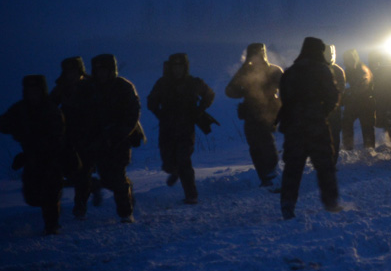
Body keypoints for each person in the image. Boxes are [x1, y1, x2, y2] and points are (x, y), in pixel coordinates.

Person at [277, 37, 341, 218]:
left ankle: (287, 206)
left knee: (292, 168)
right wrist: (321, 112)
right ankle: (331, 203)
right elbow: (332, 97)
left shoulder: (290, 72)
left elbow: (284, 98)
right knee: (324, 165)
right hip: (316, 125)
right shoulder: (322, 70)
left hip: (293, 126)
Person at [0, 75, 69, 234]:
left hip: (51, 158)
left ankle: (52, 226)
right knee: (32, 196)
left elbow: (56, 137)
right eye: (30, 90)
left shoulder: (51, 109)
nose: (33, 93)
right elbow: (5, 122)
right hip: (32, 160)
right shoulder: (21, 108)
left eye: (36, 89)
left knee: (49, 193)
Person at [147, 53, 216, 204]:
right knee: (168, 163)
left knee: (184, 160)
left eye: (180, 66)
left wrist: (200, 109)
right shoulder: (163, 83)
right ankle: (175, 170)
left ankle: (191, 195)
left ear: (185, 67)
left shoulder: (194, 83)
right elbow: (151, 101)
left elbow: (209, 94)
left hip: (186, 127)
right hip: (167, 129)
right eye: (175, 66)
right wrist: (160, 114)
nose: (177, 70)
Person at [85, 54, 142, 223]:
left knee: (117, 176)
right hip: (99, 141)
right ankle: (126, 190)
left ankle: (125, 213)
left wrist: (121, 132)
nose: (101, 74)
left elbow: (133, 112)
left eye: (105, 70)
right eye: (98, 70)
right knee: (107, 178)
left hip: (120, 139)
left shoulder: (123, 87)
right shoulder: (91, 89)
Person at [225, 43, 283, 188]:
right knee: (255, 147)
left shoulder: (273, 70)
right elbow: (230, 91)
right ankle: (265, 177)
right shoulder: (246, 71)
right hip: (251, 113)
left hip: (268, 113)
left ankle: (272, 174)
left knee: (267, 144)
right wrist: (244, 87)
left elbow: (285, 89)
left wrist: (280, 106)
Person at [49, 56, 99, 219]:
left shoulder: (92, 86)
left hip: (88, 135)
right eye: (68, 71)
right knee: (70, 171)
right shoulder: (61, 88)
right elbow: (49, 106)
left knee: (84, 171)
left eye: (74, 71)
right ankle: (91, 187)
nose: (71, 74)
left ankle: (80, 204)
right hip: (68, 136)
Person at [342, 48, 375, 150]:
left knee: (367, 126)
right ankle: (348, 147)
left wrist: (347, 93)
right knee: (346, 123)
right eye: (347, 60)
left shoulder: (362, 69)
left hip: (365, 102)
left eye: (350, 60)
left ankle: (369, 149)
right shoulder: (350, 70)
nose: (348, 62)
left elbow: (362, 86)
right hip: (355, 102)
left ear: (355, 59)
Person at [324, 44, 345, 165]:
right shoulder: (317, 70)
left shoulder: (337, 70)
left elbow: (340, 90)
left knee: (334, 136)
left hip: (333, 109)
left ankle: (332, 161)